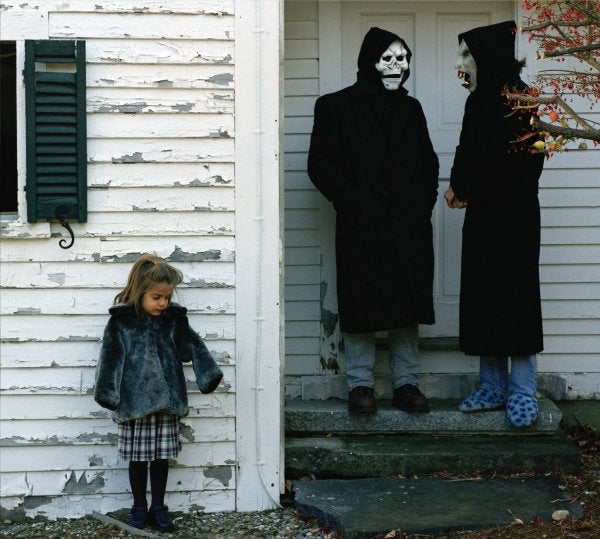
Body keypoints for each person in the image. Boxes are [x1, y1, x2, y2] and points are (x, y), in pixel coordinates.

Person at [308, 27, 439, 415]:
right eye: (388, 58)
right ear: (370, 61)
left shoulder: (411, 109)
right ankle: (360, 384)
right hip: (361, 225)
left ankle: (406, 383)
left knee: (406, 304)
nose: (397, 66)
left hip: (408, 226)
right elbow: (321, 164)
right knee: (361, 302)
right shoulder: (335, 107)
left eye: (403, 58)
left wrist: (420, 207)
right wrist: (355, 204)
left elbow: (427, 164)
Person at [444, 20, 545, 427]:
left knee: (517, 297)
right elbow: (468, 151)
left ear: (488, 56)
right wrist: (458, 185)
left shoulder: (523, 100)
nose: (460, 63)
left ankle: (522, 390)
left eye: (467, 54)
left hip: (517, 217)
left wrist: (468, 186)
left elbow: (524, 165)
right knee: (485, 295)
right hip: (484, 218)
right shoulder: (477, 102)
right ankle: (491, 386)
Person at [94, 253, 223, 531]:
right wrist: (107, 393)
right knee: (138, 459)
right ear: (139, 292)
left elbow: (193, 347)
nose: (163, 303)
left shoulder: (174, 320)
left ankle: (158, 507)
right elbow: (110, 359)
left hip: (168, 402)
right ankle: (139, 507)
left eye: (167, 297)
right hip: (135, 404)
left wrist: (208, 374)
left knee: (161, 458)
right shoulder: (121, 322)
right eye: (156, 297)